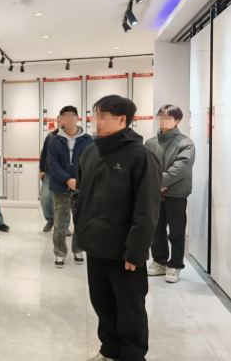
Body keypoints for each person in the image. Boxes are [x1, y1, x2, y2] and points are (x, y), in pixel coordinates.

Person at [76, 95, 162, 361]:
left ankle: (132, 355)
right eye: (95, 115)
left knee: (130, 309)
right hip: (95, 245)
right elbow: (80, 195)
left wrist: (135, 251)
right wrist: (82, 232)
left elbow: (147, 210)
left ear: (123, 119)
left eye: (103, 116)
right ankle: (109, 350)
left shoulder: (141, 156)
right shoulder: (91, 152)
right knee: (102, 304)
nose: (96, 121)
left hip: (124, 251)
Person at [145, 105, 195, 284]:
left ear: (177, 120)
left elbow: (180, 169)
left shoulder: (186, 143)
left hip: (176, 194)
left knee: (176, 231)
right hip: (155, 194)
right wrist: (155, 185)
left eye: (167, 117)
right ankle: (159, 261)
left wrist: (159, 183)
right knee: (156, 230)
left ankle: (175, 265)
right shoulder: (150, 143)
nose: (162, 121)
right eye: (160, 117)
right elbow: (146, 166)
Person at [47, 106, 93, 268]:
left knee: (80, 221)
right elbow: (52, 164)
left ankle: (78, 250)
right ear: (61, 119)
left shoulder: (88, 140)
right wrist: (67, 179)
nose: (68, 119)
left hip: (81, 188)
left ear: (77, 118)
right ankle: (59, 253)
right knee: (59, 223)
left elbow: (91, 162)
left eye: (71, 116)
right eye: (64, 116)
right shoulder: (54, 140)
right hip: (60, 188)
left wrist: (78, 181)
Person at [41, 115, 71, 234]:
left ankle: (65, 225)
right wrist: (41, 169)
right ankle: (50, 219)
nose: (60, 124)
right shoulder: (51, 137)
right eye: (58, 122)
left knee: (65, 200)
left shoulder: (71, 137)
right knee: (45, 197)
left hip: (65, 174)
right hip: (50, 173)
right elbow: (44, 153)